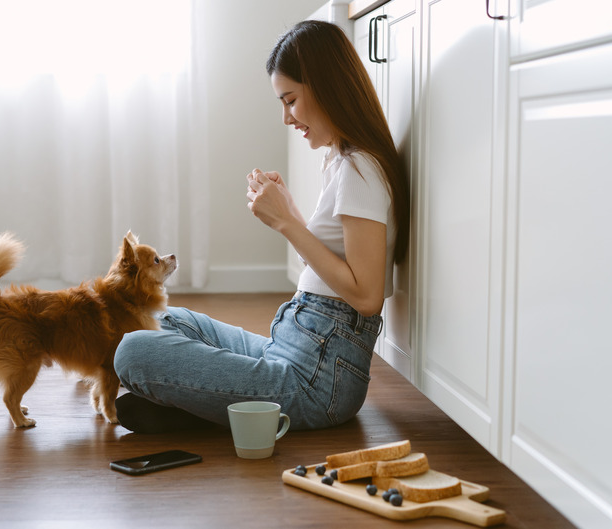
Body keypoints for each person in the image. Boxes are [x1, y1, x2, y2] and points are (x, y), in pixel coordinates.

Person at [113, 20, 409, 433]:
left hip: (316, 383)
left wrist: (288, 224)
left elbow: (367, 295)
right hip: (290, 351)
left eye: (290, 100)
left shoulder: (360, 170)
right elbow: (338, 266)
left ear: (326, 86)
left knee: (132, 352)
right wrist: (291, 213)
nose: (286, 118)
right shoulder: (343, 163)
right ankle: (216, 403)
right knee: (162, 319)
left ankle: (211, 405)